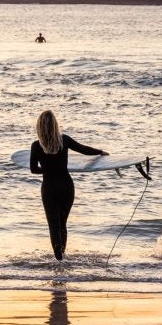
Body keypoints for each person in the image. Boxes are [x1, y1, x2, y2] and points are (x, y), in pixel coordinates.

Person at [30, 110, 107, 260]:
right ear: (55, 125)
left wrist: (47, 170)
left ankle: (59, 260)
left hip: (49, 188)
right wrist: (101, 152)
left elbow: (33, 169)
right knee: (63, 224)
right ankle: (63, 257)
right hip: (66, 186)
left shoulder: (36, 146)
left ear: (39, 126)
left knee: (54, 226)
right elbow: (83, 149)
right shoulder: (64, 140)